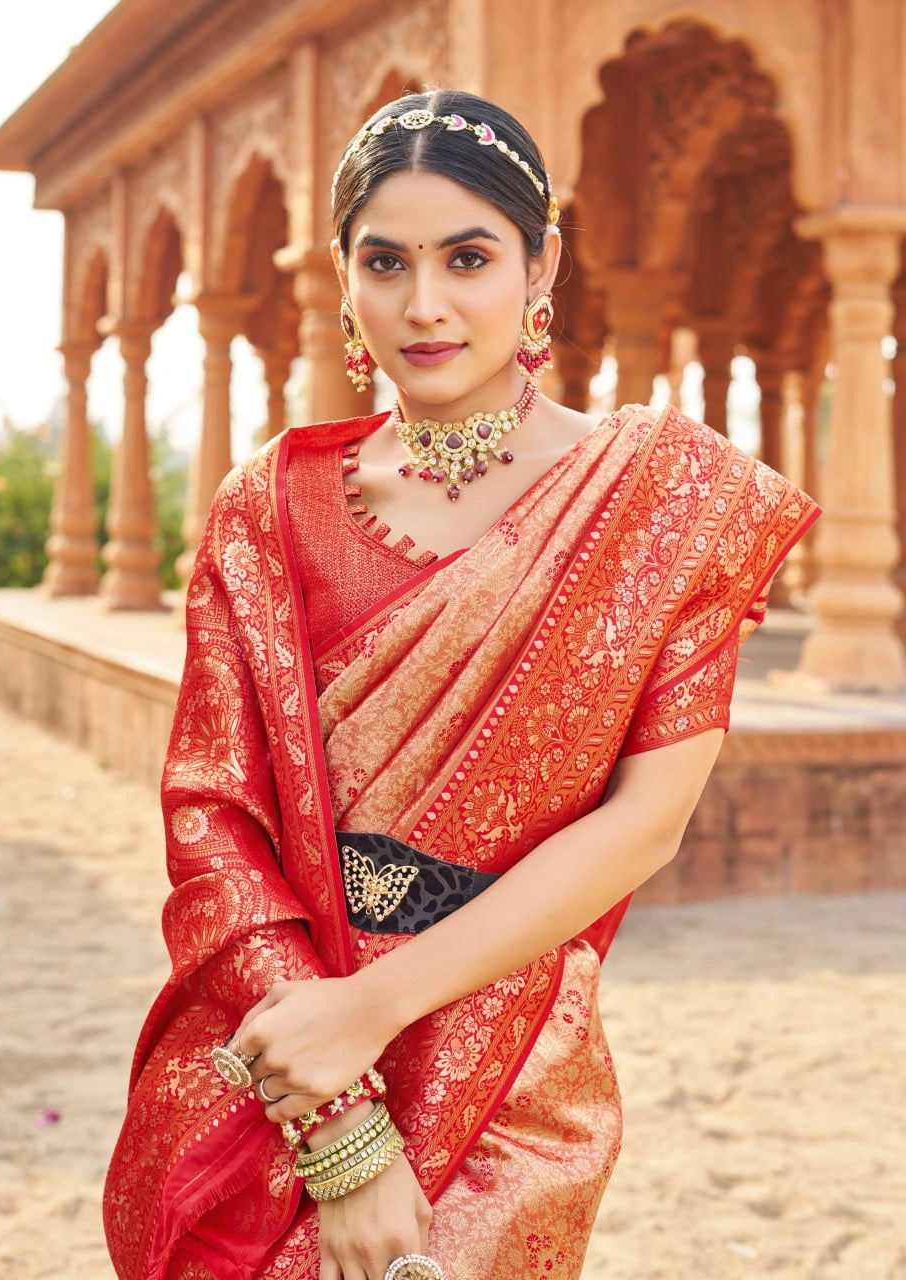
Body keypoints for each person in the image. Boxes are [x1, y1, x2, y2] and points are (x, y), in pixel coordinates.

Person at [103, 88, 822, 1280]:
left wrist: (371, 1011)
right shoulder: (265, 511)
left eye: (469, 257)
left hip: (508, 1053)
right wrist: (337, 1118)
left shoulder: (667, 505)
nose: (424, 303)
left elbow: (645, 825)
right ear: (343, 278)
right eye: (385, 261)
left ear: (543, 266)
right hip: (278, 1041)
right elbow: (214, 820)